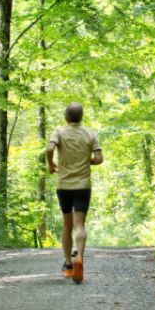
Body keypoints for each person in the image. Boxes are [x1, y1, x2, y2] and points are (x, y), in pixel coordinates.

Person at [46, 102, 103, 283]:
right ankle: (80, 257)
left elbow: (49, 148)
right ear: (81, 117)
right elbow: (99, 159)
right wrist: (88, 162)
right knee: (80, 225)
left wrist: (51, 163)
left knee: (67, 225)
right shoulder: (90, 134)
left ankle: (69, 263)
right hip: (83, 185)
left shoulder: (59, 132)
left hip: (64, 185)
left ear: (65, 117)